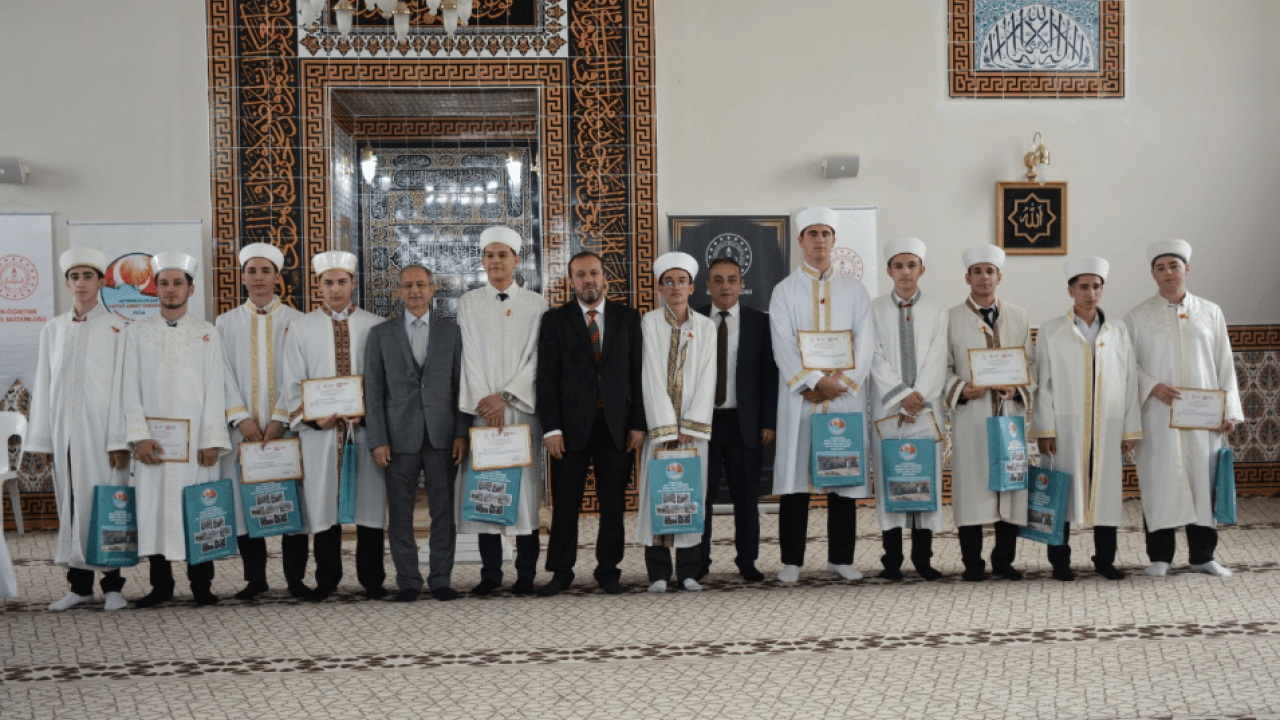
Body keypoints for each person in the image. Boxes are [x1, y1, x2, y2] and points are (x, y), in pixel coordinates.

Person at [1124, 239, 1242, 578]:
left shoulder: (1211, 312)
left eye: (1173, 266)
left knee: (1203, 482)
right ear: (1152, 274)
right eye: (1160, 268)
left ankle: (1203, 555)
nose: (1167, 273)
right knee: (1161, 481)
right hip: (1158, 416)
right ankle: (1159, 556)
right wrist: (1152, 386)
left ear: (1186, 269)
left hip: (1204, 420)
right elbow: (1128, 367)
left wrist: (1229, 410)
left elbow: (1224, 364)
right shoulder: (1137, 317)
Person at [769, 206, 875, 583]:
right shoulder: (784, 291)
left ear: (834, 240)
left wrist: (838, 384)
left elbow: (865, 343)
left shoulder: (855, 290)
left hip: (843, 398)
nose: (819, 241)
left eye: (825, 234)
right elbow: (782, 344)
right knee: (796, 482)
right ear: (800, 241)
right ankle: (791, 562)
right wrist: (814, 381)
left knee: (843, 478)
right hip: (802, 398)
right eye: (812, 234)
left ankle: (840, 558)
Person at [120, 252, 231, 607]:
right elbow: (128, 386)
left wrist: (213, 438)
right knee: (154, 508)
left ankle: (202, 585)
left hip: (196, 441)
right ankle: (161, 585)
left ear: (191, 289)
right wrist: (138, 436)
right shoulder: (136, 332)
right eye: (163, 283)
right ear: (155, 289)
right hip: (154, 443)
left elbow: (217, 386)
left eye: (177, 283)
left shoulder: (207, 333)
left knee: (197, 508)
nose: (170, 290)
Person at [536, 251, 645, 596]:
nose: (588, 280)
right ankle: (560, 571)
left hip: (616, 426)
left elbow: (638, 375)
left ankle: (608, 570)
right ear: (571, 282)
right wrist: (551, 428)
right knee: (566, 504)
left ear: (605, 278)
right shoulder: (555, 320)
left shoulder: (629, 318)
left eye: (594, 273)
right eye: (580, 275)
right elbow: (546, 379)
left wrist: (638, 424)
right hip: (569, 430)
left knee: (613, 503)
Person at [27, 248, 130, 611]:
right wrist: (42, 439)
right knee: (71, 505)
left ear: (102, 282)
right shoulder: (52, 329)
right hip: (64, 435)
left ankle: (114, 586)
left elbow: (124, 388)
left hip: (104, 437)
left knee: (108, 506)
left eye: (89, 276)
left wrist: (120, 438)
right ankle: (79, 586)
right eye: (75, 277)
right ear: (66, 283)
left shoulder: (119, 327)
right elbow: (44, 382)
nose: (81, 283)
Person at [282, 251, 387, 601]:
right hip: (321, 434)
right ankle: (327, 578)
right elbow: (292, 382)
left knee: (369, 506)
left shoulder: (376, 324)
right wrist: (313, 417)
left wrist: (367, 414)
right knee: (324, 505)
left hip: (365, 432)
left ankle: (372, 578)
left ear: (353, 283)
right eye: (328, 282)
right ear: (318, 286)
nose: (336, 289)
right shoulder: (300, 328)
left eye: (342, 281)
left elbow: (384, 382)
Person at [1031, 257, 1142, 581]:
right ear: (1070, 290)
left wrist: (1129, 428)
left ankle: (1105, 560)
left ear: (1102, 290)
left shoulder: (1118, 330)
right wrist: (1045, 429)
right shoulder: (1053, 330)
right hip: (1066, 426)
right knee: (1062, 493)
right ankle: (1060, 562)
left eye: (1096, 286)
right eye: (1083, 287)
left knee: (1106, 495)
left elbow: (1130, 380)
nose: (1090, 293)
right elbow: (1044, 385)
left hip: (1107, 426)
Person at [364, 263, 468, 602]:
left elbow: (459, 387)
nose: (415, 291)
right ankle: (408, 580)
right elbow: (374, 391)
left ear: (432, 288)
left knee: (443, 512)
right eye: (407, 285)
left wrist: (460, 434)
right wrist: (377, 439)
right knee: (401, 514)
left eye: (421, 284)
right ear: (398, 291)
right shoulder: (381, 334)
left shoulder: (451, 332)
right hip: (397, 439)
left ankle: (440, 578)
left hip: (441, 437)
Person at [455, 227, 548, 597]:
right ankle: (491, 572)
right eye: (489, 255)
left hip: (522, 412)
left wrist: (507, 396)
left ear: (516, 260)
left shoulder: (537, 304)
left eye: (503, 255)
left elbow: (539, 358)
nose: (496, 262)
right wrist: (485, 400)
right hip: (483, 414)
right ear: (482, 261)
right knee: (486, 490)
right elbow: (468, 357)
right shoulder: (468, 302)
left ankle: (526, 572)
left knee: (525, 494)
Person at [215, 242, 308, 600]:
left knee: (290, 502)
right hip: (244, 433)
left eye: (265, 271)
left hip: (285, 431)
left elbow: (298, 374)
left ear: (277, 278)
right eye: (251, 271)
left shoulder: (297, 322)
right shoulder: (224, 324)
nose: (258, 278)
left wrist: (280, 418)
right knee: (243, 504)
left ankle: (295, 579)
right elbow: (220, 375)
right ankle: (255, 579)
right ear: (242, 277)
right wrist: (241, 418)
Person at [943, 246, 1033, 582]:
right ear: (967, 277)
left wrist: (1018, 388)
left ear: (999, 277)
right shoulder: (950, 318)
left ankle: (1004, 561)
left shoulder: (1019, 316)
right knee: (972, 487)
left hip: (1009, 417)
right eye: (977, 271)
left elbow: (1032, 365)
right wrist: (961, 389)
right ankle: (972, 563)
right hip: (973, 418)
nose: (984, 277)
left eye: (990, 271)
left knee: (1009, 487)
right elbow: (944, 367)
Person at [868, 237, 946, 581]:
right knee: (892, 479)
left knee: (923, 477)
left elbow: (938, 357)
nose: (905, 272)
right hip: (889, 410)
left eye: (911, 265)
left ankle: (923, 558)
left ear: (922, 270)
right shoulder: (873, 309)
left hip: (925, 410)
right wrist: (900, 395)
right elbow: (874, 356)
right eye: (898, 266)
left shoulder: (937, 309)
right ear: (888, 270)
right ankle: (892, 561)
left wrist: (918, 398)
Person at [637, 252, 716, 592]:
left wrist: (690, 425)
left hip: (693, 433)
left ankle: (688, 571)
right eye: (668, 281)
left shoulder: (706, 326)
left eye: (681, 281)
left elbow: (708, 376)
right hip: (661, 431)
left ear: (692, 287)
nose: (675, 287)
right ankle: (657, 572)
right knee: (658, 493)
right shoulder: (649, 323)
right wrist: (666, 427)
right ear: (659, 287)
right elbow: (650, 375)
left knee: (690, 494)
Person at [695, 256, 777, 582]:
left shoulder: (760, 322)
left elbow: (769, 376)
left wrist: (768, 421)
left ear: (742, 285)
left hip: (745, 424)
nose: (725, 286)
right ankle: (699, 561)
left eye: (732, 279)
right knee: (702, 495)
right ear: (707, 285)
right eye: (718, 280)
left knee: (745, 497)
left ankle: (747, 561)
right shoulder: (695, 319)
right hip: (703, 424)